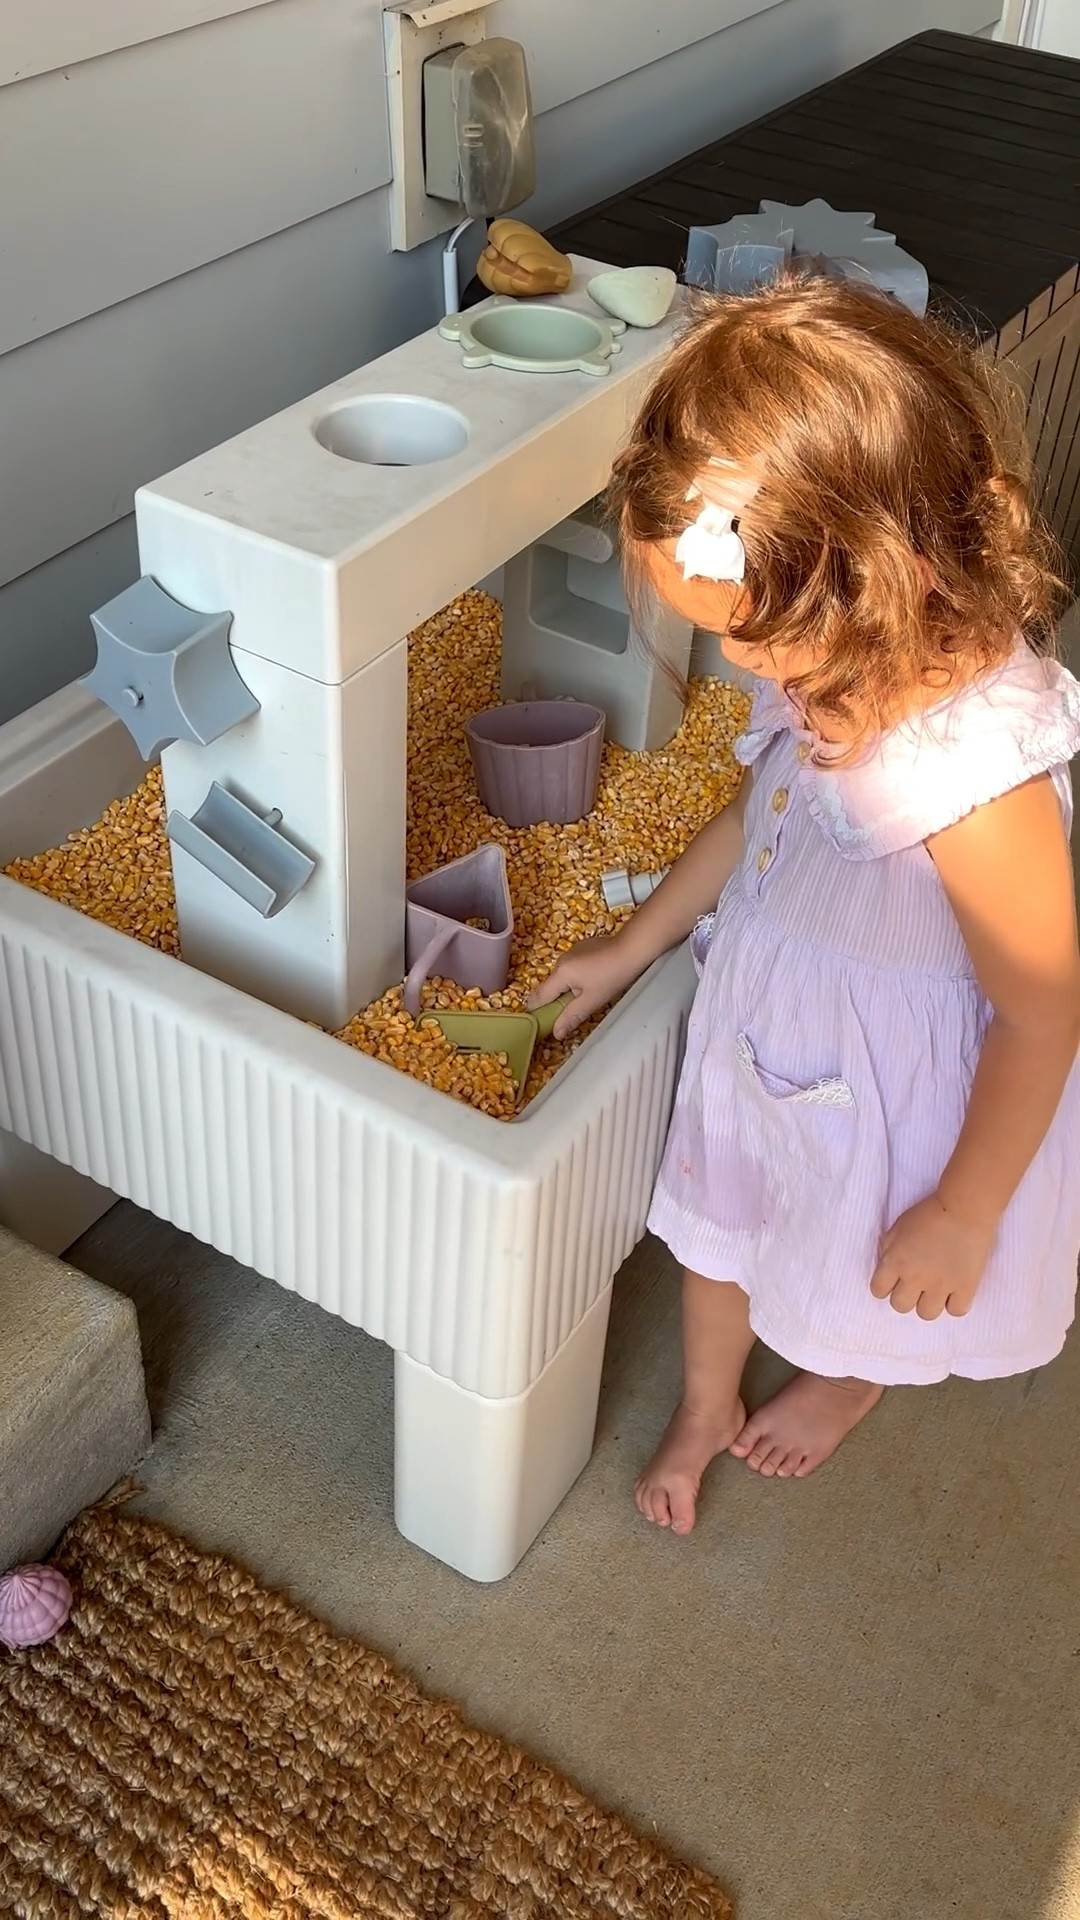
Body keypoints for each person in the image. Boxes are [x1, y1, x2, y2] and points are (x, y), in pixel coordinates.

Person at [530, 270, 1080, 1536]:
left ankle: (847, 1378)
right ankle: (706, 1400)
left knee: (870, 1262)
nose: (741, 664)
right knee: (722, 1224)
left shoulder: (970, 773)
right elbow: (760, 815)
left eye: (760, 637)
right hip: (770, 1038)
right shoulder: (835, 656)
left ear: (899, 574)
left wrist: (966, 1209)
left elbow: (1044, 1014)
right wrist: (632, 946)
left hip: (892, 1100)